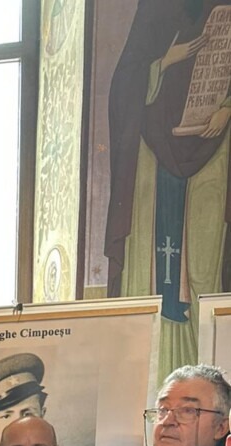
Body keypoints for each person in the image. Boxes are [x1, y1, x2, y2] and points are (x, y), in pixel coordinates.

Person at [105, 1, 231, 381]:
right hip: (151, 151)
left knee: (204, 267)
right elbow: (124, 85)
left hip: (213, 151)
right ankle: (148, 379)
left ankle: (212, 376)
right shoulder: (156, 8)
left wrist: (228, 108)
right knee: (151, 269)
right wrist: (163, 62)